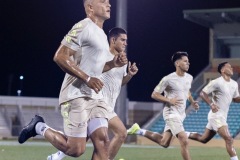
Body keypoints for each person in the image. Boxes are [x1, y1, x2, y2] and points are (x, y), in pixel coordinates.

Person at [18, 0, 128, 160]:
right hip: (75, 95)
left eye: (109, 2)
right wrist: (87, 78)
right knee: (75, 149)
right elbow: (60, 56)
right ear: (90, 7)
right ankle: (38, 126)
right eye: (103, 1)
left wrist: (112, 64)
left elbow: (95, 68)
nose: (109, 4)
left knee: (103, 142)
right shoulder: (83, 27)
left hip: (96, 98)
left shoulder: (103, 35)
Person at [47, 27, 138, 160]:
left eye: (126, 41)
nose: (126, 43)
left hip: (107, 105)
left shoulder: (122, 61)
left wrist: (130, 74)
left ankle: (57, 155)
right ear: (113, 40)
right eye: (123, 40)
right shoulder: (101, 55)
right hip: (97, 101)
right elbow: (87, 73)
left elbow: (120, 83)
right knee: (121, 132)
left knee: (83, 142)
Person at [127, 51, 199, 160]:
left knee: (164, 142)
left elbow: (187, 91)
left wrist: (192, 101)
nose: (188, 63)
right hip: (171, 114)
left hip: (181, 115)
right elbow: (154, 94)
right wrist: (169, 100)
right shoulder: (168, 79)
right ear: (177, 63)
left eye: (188, 62)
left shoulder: (189, 77)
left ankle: (138, 130)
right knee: (184, 139)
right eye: (185, 61)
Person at [188, 62, 240, 160]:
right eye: (229, 67)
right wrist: (211, 104)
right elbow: (202, 93)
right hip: (216, 116)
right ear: (223, 70)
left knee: (203, 139)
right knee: (229, 139)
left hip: (222, 116)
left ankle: (182, 133)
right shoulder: (216, 82)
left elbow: (236, 98)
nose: (232, 68)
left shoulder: (234, 84)